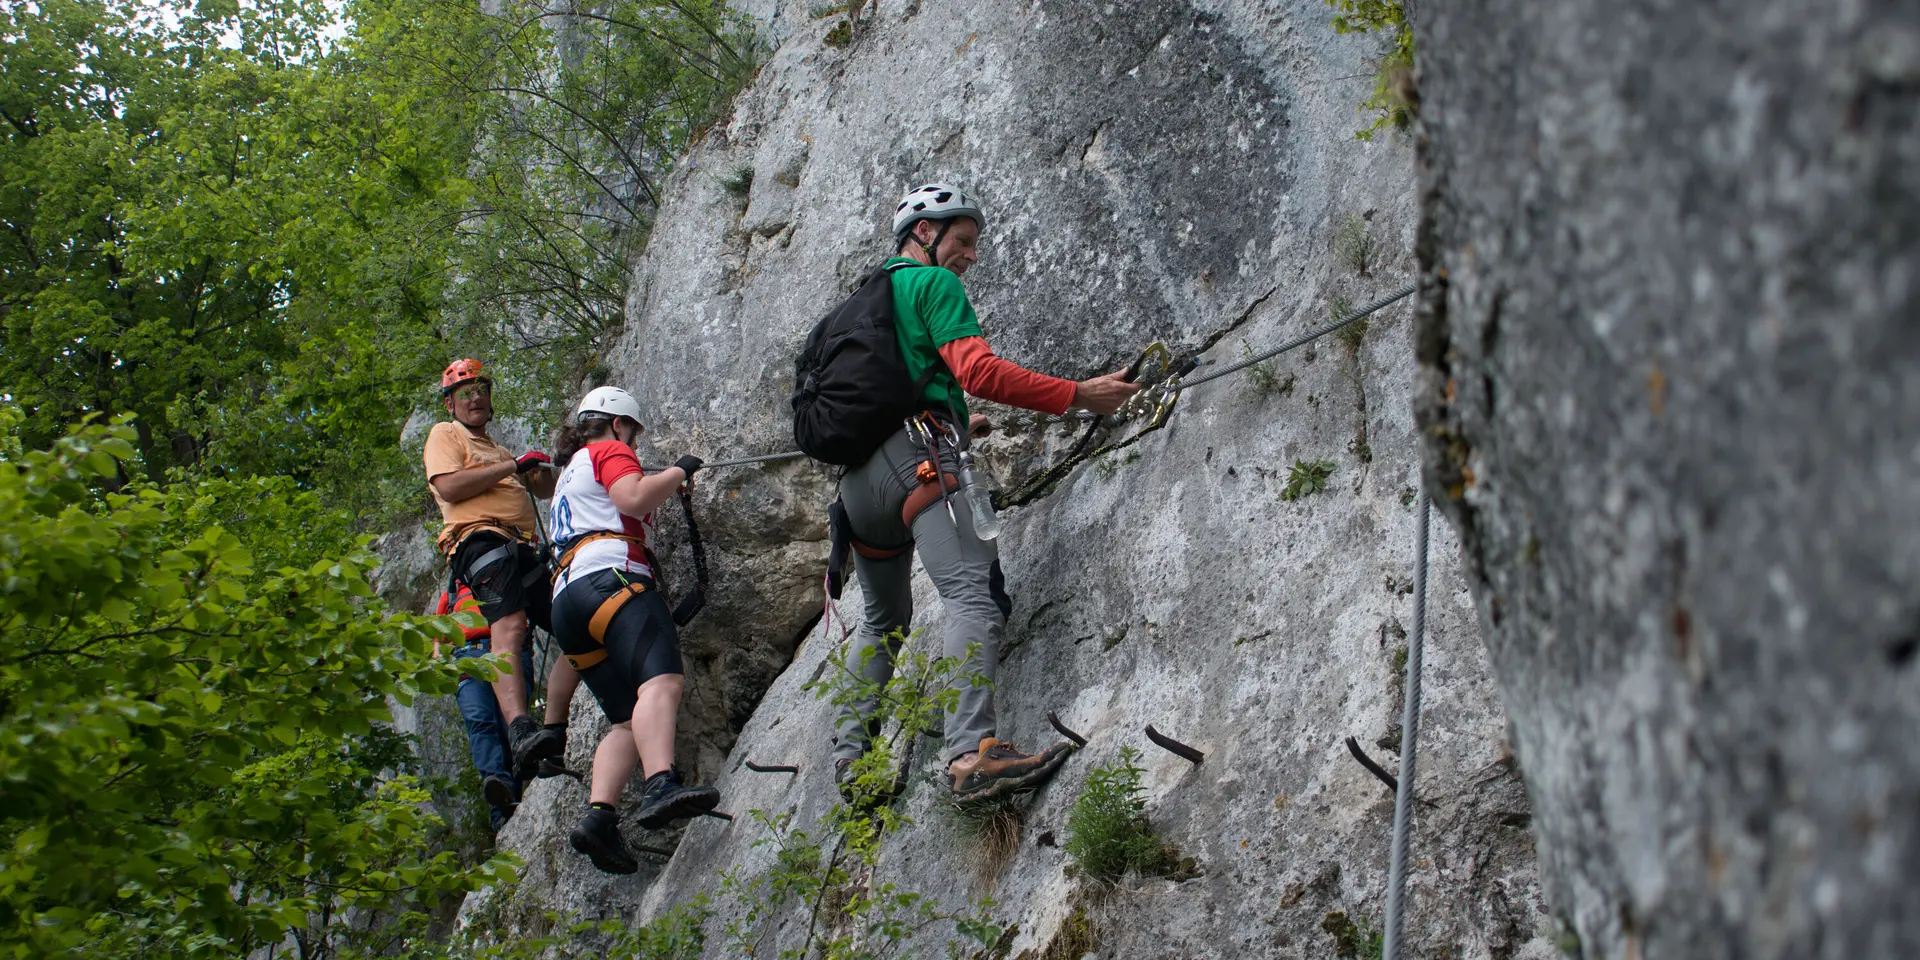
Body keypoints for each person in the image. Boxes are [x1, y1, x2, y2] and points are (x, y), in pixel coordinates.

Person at [831, 183, 1141, 801]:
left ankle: (851, 760)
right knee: (971, 592)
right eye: (963, 240)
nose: (971, 255)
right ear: (925, 233)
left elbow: (900, 384)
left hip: (857, 485)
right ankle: (970, 754)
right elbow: (978, 370)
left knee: (883, 617)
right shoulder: (933, 284)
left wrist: (951, 416)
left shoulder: (863, 302)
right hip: (916, 466)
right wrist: (1079, 394)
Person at [545, 386, 719, 875]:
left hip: (567, 601)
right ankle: (660, 781)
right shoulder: (609, 449)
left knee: (625, 718)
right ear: (619, 424)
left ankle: (599, 817)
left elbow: (623, 506)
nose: (634, 446)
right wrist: (679, 470)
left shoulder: (567, 474)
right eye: (634, 435)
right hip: (612, 580)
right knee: (661, 682)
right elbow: (633, 494)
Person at [424, 358, 581, 782]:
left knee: (577, 626)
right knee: (509, 626)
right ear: (450, 405)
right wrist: (514, 467)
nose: (475, 397)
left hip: (522, 547)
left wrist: (564, 464)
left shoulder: (498, 451)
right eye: (464, 393)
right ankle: (519, 729)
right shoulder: (446, 434)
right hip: (480, 541)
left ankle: (551, 732)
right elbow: (449, 486)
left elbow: (546, 487)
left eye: (481, 391)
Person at [432, 584, 534, 832]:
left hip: (507, 650)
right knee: (480, 720)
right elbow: (438, 640)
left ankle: (507, 799)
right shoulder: (451, 595)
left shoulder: (505, 575)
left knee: (507, 724)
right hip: (469, 655)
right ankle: (498, 792)